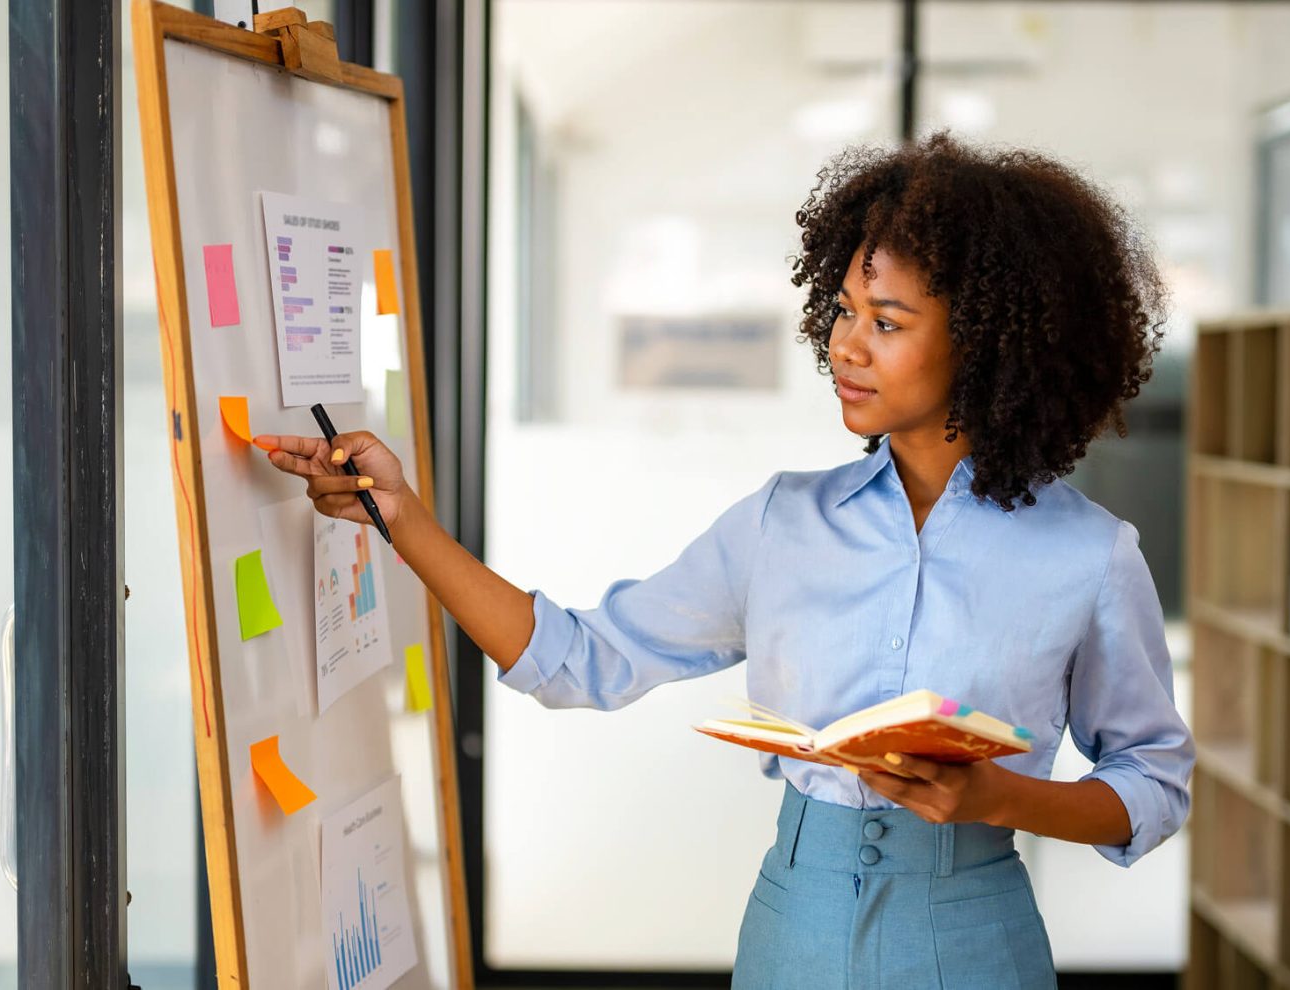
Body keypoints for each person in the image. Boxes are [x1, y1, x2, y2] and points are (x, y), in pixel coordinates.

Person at [257, 131, 1194, 989]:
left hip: (975, 940)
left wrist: (1001, 796)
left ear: (985, 344)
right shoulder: (783, 525)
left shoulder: (1090, 556)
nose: (845, 345)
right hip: (795, 931)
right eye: (843, 309)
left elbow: (1153, 783)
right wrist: (404, 520)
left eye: (888, 321)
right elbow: (583, 658)